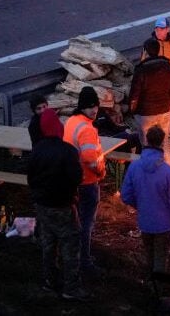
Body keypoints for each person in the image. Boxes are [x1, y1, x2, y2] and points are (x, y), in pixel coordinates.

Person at [27, 108, 90, 301]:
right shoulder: (68, 151)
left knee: (48, 244)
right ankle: (71, 287)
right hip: (63, 206)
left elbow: (31, 178)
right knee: (70, 246)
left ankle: (50, 281)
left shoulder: (37, 150)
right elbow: (77, 177)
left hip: (42, 206)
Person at [120, 125, 170, 276]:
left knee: (149, 256)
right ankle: (157, 294)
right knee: (160, 260)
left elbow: (125, 195)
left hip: (145, 223)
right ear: (162, 143)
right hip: (164, 225)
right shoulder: (168, 171)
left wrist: (141, 206)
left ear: (146, 141)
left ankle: (150, 286)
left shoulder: (134, 167)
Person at [63, 86, 107, 276]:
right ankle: (85, 262)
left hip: (72, 180)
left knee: (75, 222)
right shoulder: (87, 129)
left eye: (96, 106)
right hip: (87, 182)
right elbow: (90, 159)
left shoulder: (72, 121)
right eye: (90, 107)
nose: (94, 110)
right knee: (86, 223)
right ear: (82, 107)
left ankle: (74, 256)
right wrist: (101, 171)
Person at [130, 39, 170, 160]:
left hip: (146, 114)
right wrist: (167, 103)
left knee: (147, 146)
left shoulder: (141, 70)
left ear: (145, 52)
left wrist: (133, 111)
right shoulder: (169, 67)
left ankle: (150, 174)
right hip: (164, 111)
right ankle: (166, 171)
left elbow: (134, 97)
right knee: (164, 144)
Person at [146, 17, 170, 88]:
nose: (159, 32)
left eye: (162, 29)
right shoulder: (149, 44)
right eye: (157, 29)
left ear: (168, 29)